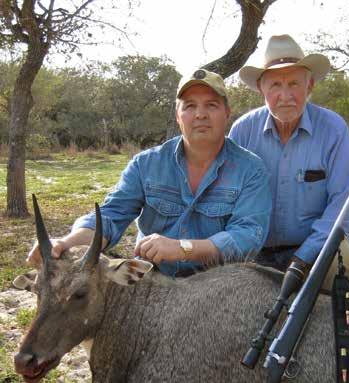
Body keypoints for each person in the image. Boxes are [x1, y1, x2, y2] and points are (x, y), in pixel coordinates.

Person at [28, 69, 272, 277]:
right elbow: (111, 216)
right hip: (154, 279)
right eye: (190, 106)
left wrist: (183, 248)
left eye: (211, 105)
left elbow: (247, 237)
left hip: (218, 283)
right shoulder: (146, 164)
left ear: (227, 112)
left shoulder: (251, 169)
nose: (200, 114)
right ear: (178, 116)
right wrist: (65, 243)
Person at [229, 35, 349, 296]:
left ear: (309, 85)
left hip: (317, 245)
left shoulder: (334, 129)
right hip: (254, 249)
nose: (285, 96)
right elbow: (228, 199)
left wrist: (304, 256)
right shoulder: (242, 131)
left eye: (294, 83)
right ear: (261, 88)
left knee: (345, 266)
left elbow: (343, 206)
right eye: (275, 85)